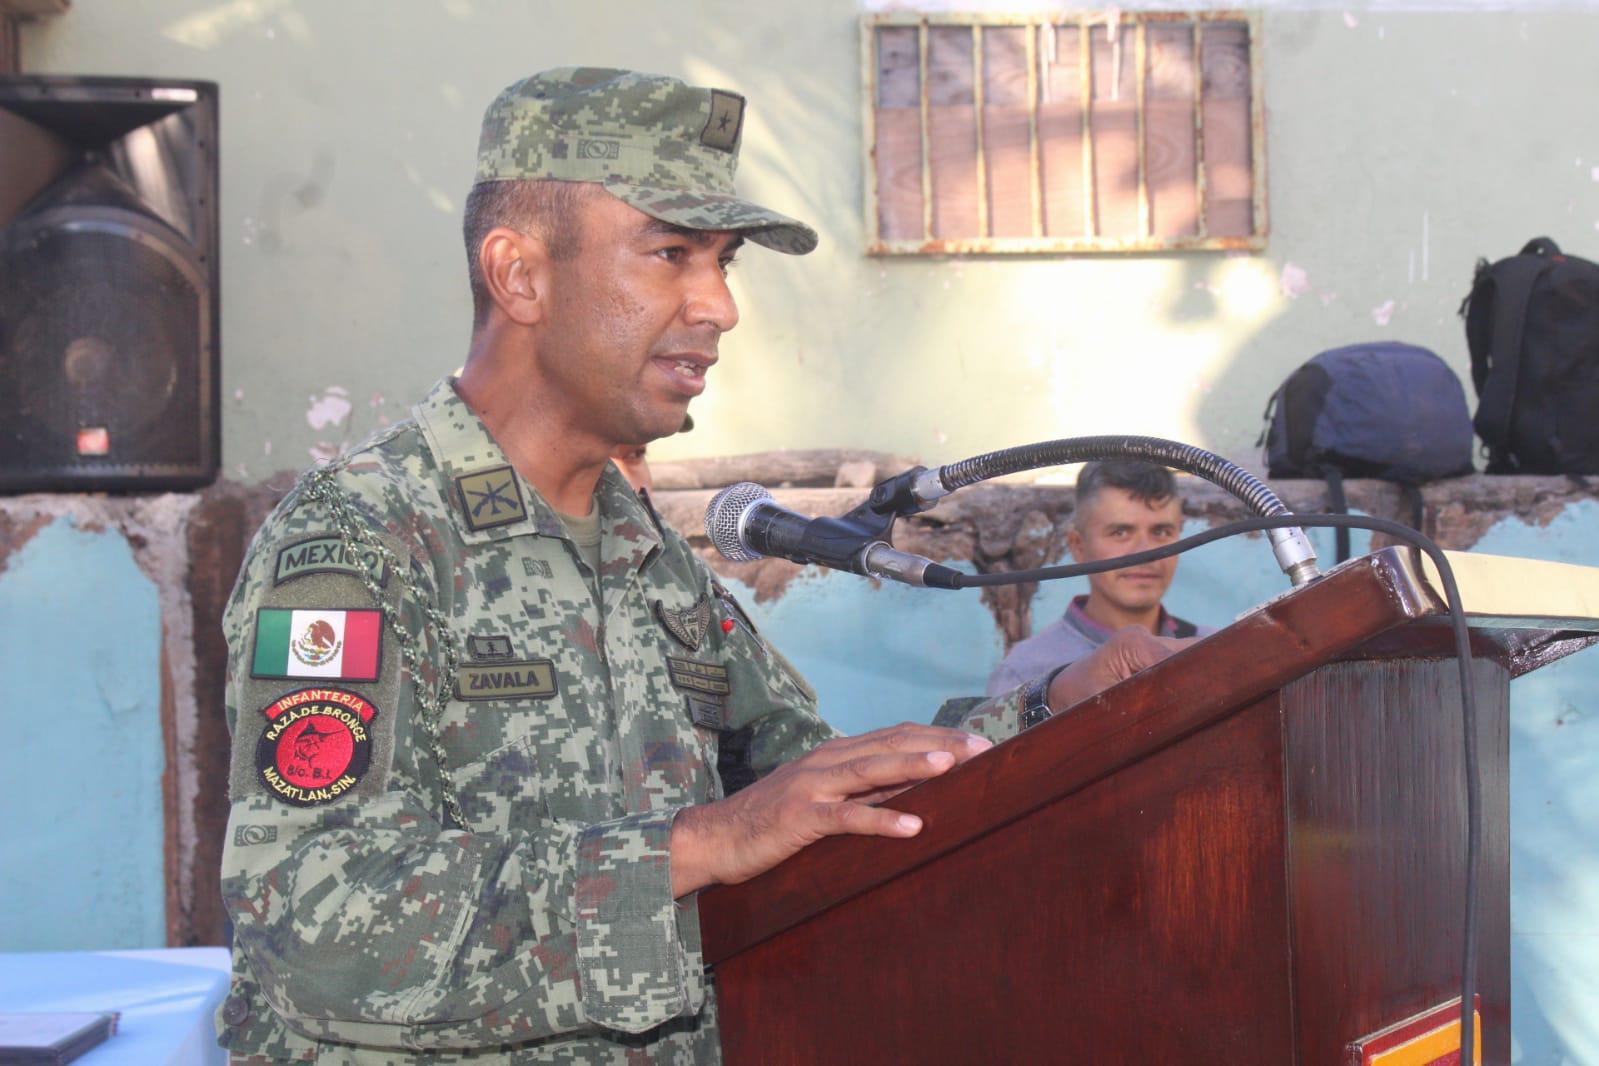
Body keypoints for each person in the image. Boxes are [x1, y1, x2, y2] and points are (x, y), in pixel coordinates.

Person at [216, 68, 1182, 1064]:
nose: (718, 305)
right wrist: (699, 845)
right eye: (672, 253)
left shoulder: (645, 554)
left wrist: (1050, 713)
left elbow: (810, 794)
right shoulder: (360, 540)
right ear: (520, 275)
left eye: (723, 263)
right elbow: (315, 926)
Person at [986, 459, 1215, 697]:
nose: (1147, 553)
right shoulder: (1025, 672)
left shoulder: (1214, 649)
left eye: (1161, 532)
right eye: (1120, 532)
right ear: (1078, 546)